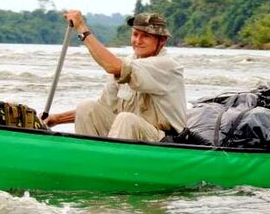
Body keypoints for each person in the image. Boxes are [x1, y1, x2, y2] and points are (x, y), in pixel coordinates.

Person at [44, 10, 186, 141]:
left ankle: (109, 162)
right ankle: (88, 160)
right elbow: (103, 107)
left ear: (162, 41)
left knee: (126, 119)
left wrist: (81, 27)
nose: (138, 41)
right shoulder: (127, 62)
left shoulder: (166, 65)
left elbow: (112, 66)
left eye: (146, 36)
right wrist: (56, 119)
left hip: (164, 141)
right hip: (131, 139)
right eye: (135, 34)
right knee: (86, 108)